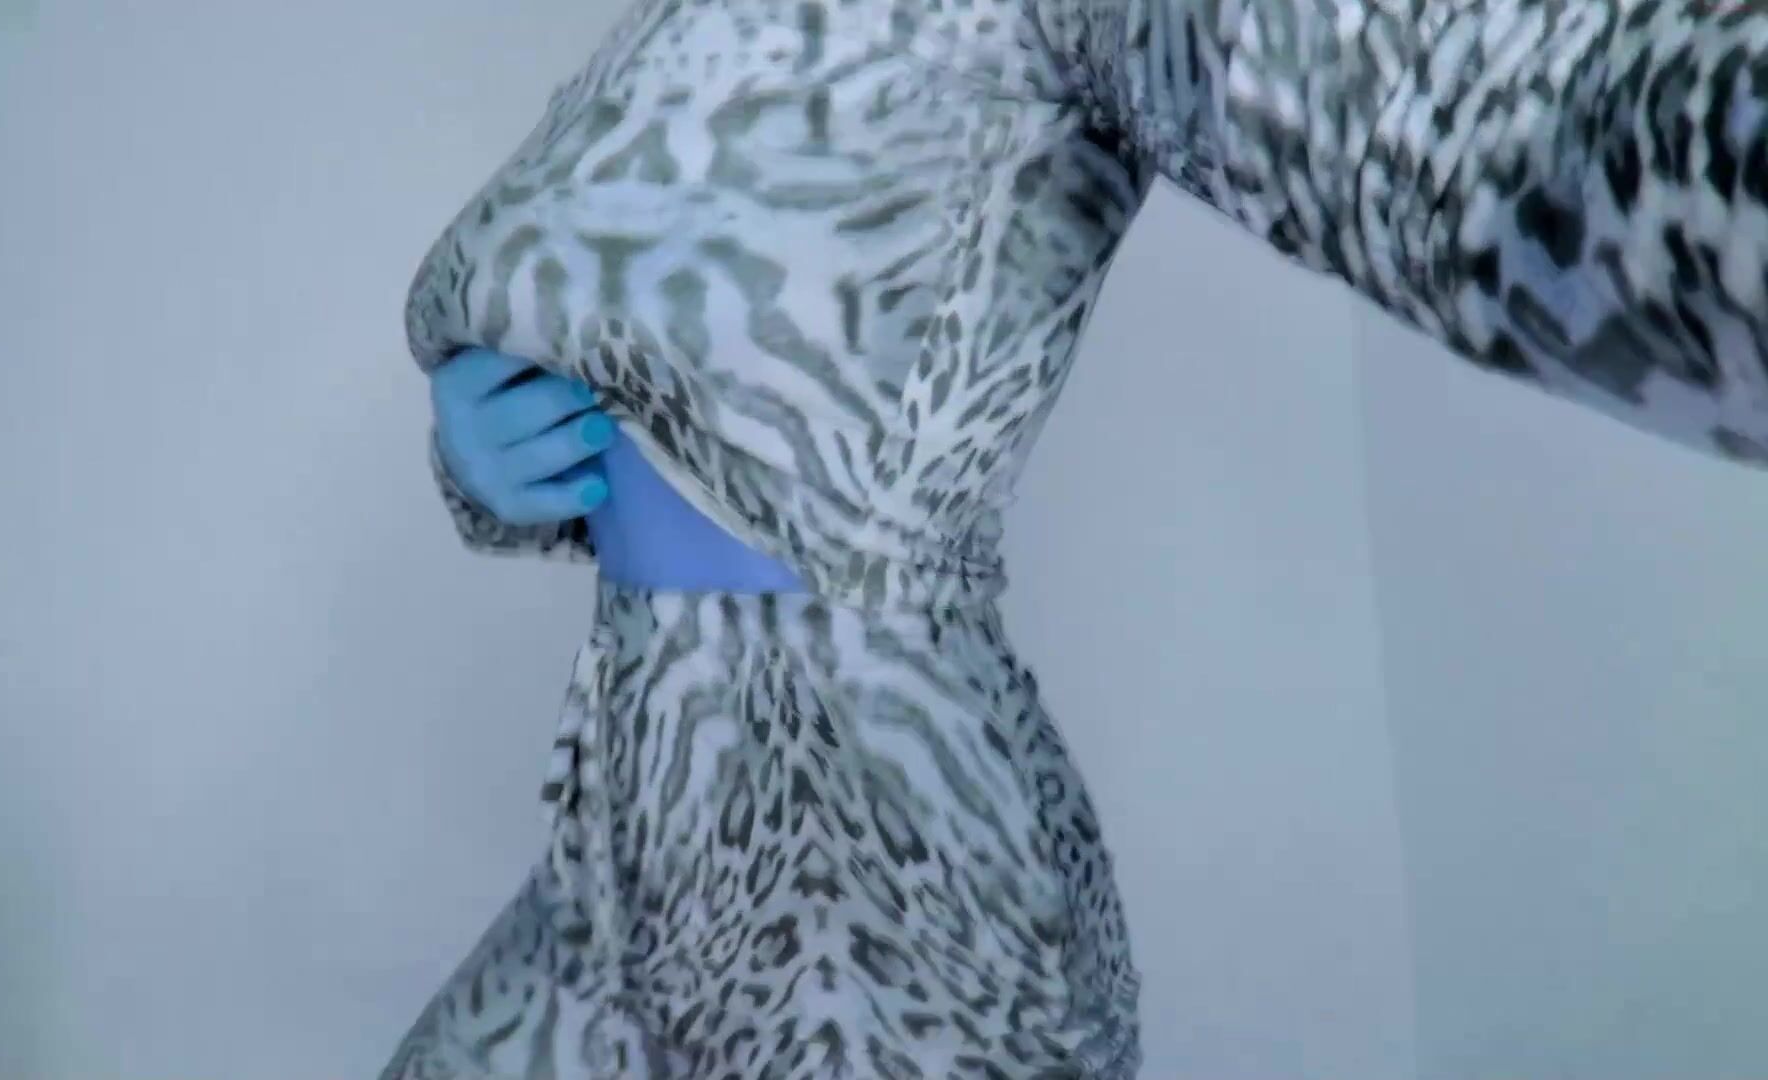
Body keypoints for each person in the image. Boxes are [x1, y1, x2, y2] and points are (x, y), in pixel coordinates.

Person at [380, 1, 1768, 1076]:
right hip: (625, 805)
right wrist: (477, 451)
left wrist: (1708, 143)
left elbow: (1457, 125)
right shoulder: (657, 31)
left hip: (867, 849)